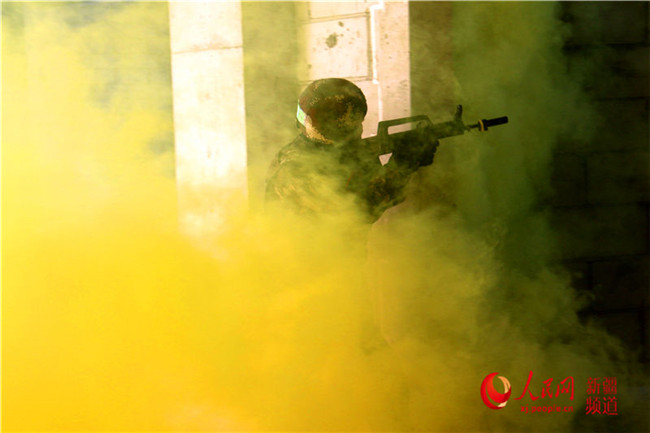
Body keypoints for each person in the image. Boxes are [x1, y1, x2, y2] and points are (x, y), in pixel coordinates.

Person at [265, 77, 438, 224]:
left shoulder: (327, 153)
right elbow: (359, 212)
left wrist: (412, 158)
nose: (359, 129)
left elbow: (382, 190)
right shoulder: (296, 169)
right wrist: (402, 164)